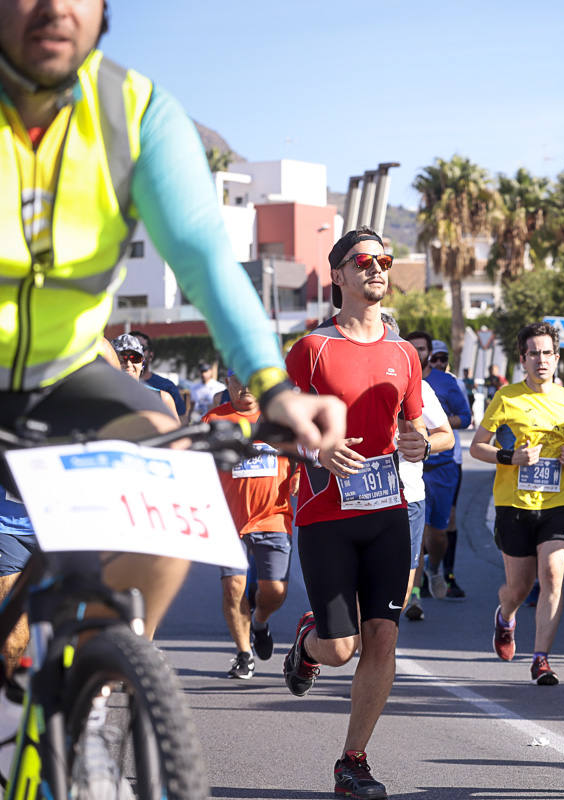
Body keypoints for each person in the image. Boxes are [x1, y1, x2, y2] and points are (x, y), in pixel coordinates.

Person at [0, 0, 344, 644]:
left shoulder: (134, 112)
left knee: (173, 471)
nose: (52, 7)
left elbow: (205, 259)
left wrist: (274, 388)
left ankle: (98, 691)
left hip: (65, 375)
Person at [282, 227, 428, 800]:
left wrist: (419, 444)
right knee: (341, 649)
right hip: (326, 515)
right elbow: (281, 426)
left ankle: (353, 760)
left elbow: (414, 428)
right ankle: (306, 647)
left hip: (387, 510)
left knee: (383, 638)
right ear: (337, 274)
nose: (376, 268)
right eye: (363, 261)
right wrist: (316, 450)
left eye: (384, 260)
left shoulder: (403, 353)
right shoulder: (311, 349)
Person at [470, 321, 564, 686]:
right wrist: (511, 457)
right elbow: (477, 447)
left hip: (555, 503)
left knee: (552, 576)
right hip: (513, 504)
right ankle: (506, 617)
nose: (541, 360)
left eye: (547, 353)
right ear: (522, 359)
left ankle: (541, 659)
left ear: (556, 357)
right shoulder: (506, 398)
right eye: (533, 353)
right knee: (518, 588)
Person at [203, 370, 297, 679]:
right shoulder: (213, 419)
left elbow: (302, 453)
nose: (244, 387)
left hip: (273, 515)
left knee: (275, 591)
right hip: (228, 521)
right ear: (227, 382)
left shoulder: (279, 418)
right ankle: (244, 653)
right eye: (236, 379)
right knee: (233, 588)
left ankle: (259, 621)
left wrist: (296, 476)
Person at [381, 316, 455, 623]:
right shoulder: (345, 386)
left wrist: (424, 446)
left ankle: (377, 652)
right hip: (359, 498)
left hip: (409, 496)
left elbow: (447, 436)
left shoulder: (419, 387)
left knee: (398, 589)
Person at [403, 332, 471, 608]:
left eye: (422, 349)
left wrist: (435, 426)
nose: (418, 353)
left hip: (442, 464)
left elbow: (465, 418)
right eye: (413, 348)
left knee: (437, 533)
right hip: (412, 468)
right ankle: (415, 598)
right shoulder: (399, 378)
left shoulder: (444, 383)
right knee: (415, 537)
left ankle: (434, 568)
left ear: (429, 353)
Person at [430, 339, 472, 599]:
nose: (438, 364)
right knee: (421, 517)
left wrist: (439, 422)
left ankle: (448, 573)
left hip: (450, 459)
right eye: (433, 359)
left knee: (449, 519)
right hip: (421, 460)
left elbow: (466, 417)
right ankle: (421, 576)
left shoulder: (453, 384)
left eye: (442, 359)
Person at [111, 333, 178, 421]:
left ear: (142, 363)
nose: (128, 364)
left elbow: (178, 433)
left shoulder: (162, 399)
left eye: (135, 358)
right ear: (110, 361)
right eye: (121, 358)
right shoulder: (97, 399)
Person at [128, 329, 186, 418]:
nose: (134, 354)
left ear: (150, 356)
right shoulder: (111, 386)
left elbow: (182, 420)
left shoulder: (167, 387)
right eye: (129, 349)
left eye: (141, 348)